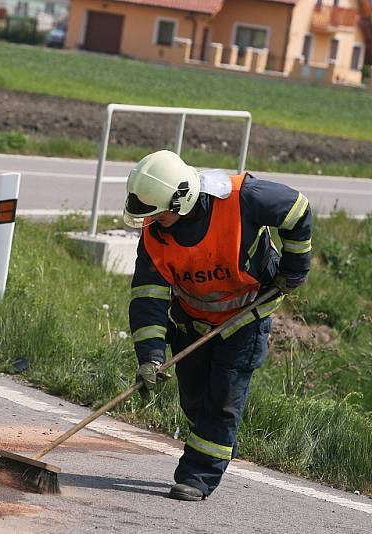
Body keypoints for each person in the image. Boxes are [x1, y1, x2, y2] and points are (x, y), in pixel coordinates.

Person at [124, 150, 312, 501]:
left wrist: (294, 268)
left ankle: (197, 477)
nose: (152, 221)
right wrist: (150, 355)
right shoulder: (155, 236)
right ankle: (217, 443)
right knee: (195, 401)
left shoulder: (245, 198)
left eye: (157, 213)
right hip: (190, 323)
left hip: (245, 318)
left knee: (222, 400)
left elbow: (297, 209)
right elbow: (148, 297)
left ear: (181, 199)